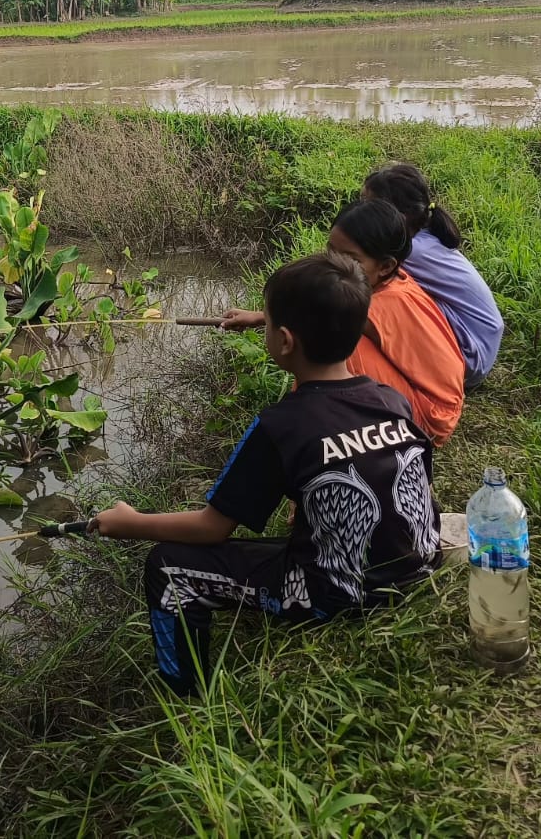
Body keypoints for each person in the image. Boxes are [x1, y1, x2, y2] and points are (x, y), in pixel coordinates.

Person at [92, 251, 442, 696]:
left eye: (269, 321)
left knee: (169, 567)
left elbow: (211, 529)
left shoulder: (282, 425)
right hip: (414, 568)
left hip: (341, 594)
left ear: (284, 341)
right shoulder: (391, 400)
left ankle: (184, 696)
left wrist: (130, 524)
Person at [222, 201, 467, 444]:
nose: (333, 263)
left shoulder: (381, 305)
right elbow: (317, 308)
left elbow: (316, 314)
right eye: (330, 250)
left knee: (328, 351)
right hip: (426, 398)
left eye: (350, 258)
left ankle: (311, 418)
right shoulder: (390, 283)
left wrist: (268, 316)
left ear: (385, 266)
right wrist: (259, 316)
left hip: (431, 417)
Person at [362, 163, 503, 388]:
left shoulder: (411, 251)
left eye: (368, 205)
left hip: (468, 358)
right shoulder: (425, 238)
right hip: (480, 349)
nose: (360, 212)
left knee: (379, 294)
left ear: (398, 214)